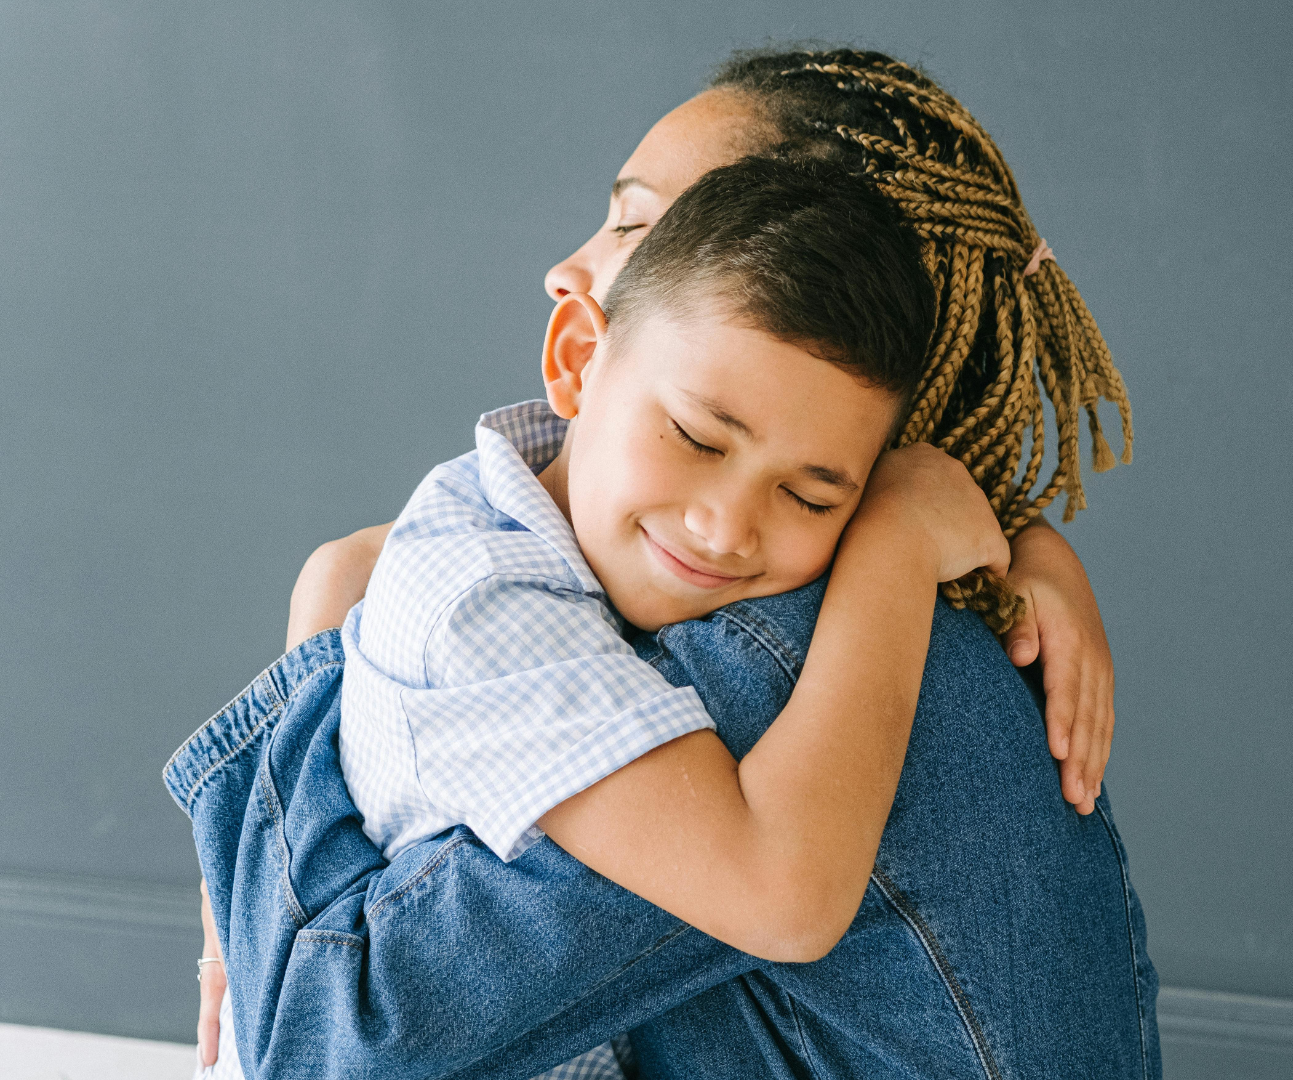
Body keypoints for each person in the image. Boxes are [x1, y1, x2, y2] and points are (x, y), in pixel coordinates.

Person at [177, 48, 1156, 1079]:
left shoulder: (783, 660)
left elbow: (325, 1044)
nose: (568, 265)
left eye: (647, 226)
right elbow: (375, 565)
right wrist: (1028, 540)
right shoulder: (783, 560)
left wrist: (269, 850)